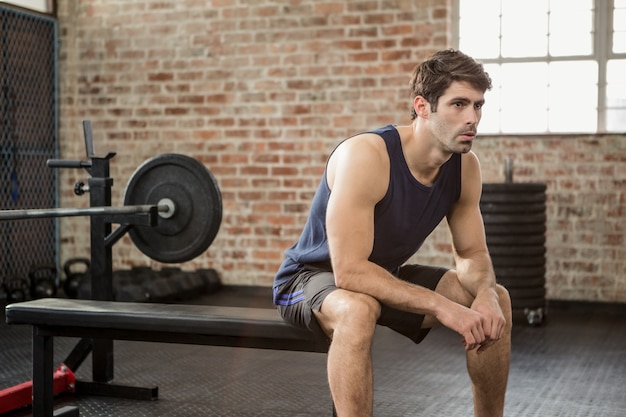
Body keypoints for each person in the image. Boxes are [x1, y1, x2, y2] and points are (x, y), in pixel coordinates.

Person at [273, 49, 511, 417]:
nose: (472, 119)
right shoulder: (367, 155)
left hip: (384, 276)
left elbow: (472, 254)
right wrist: (444, 308)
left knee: (498, 300)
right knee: (358, 308)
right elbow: (349, 272)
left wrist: (483, 294)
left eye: (478, 106)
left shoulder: (465, 167)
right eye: (459, 104)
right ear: (422, 106)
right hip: (308, 280)